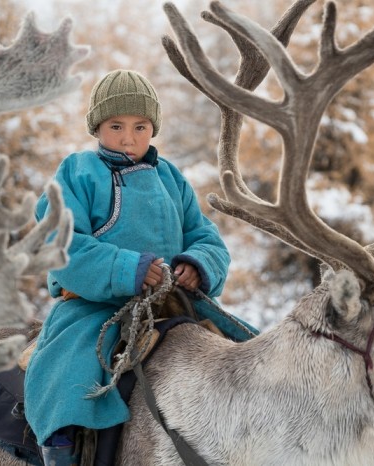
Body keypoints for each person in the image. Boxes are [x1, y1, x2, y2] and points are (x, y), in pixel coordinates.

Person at [24, 69, 256, 465]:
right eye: (116, 126)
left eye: (140, 126)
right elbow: (58, 241)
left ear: (153, 128)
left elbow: (205, 236)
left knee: (250, 357)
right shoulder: (77, 172)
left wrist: (197, 266)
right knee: (66, 379)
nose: (128, 138)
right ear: (97, 127)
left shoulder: (170, 178)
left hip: (175, 304)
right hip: (94, 308)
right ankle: (59, 449)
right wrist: (126, 268)